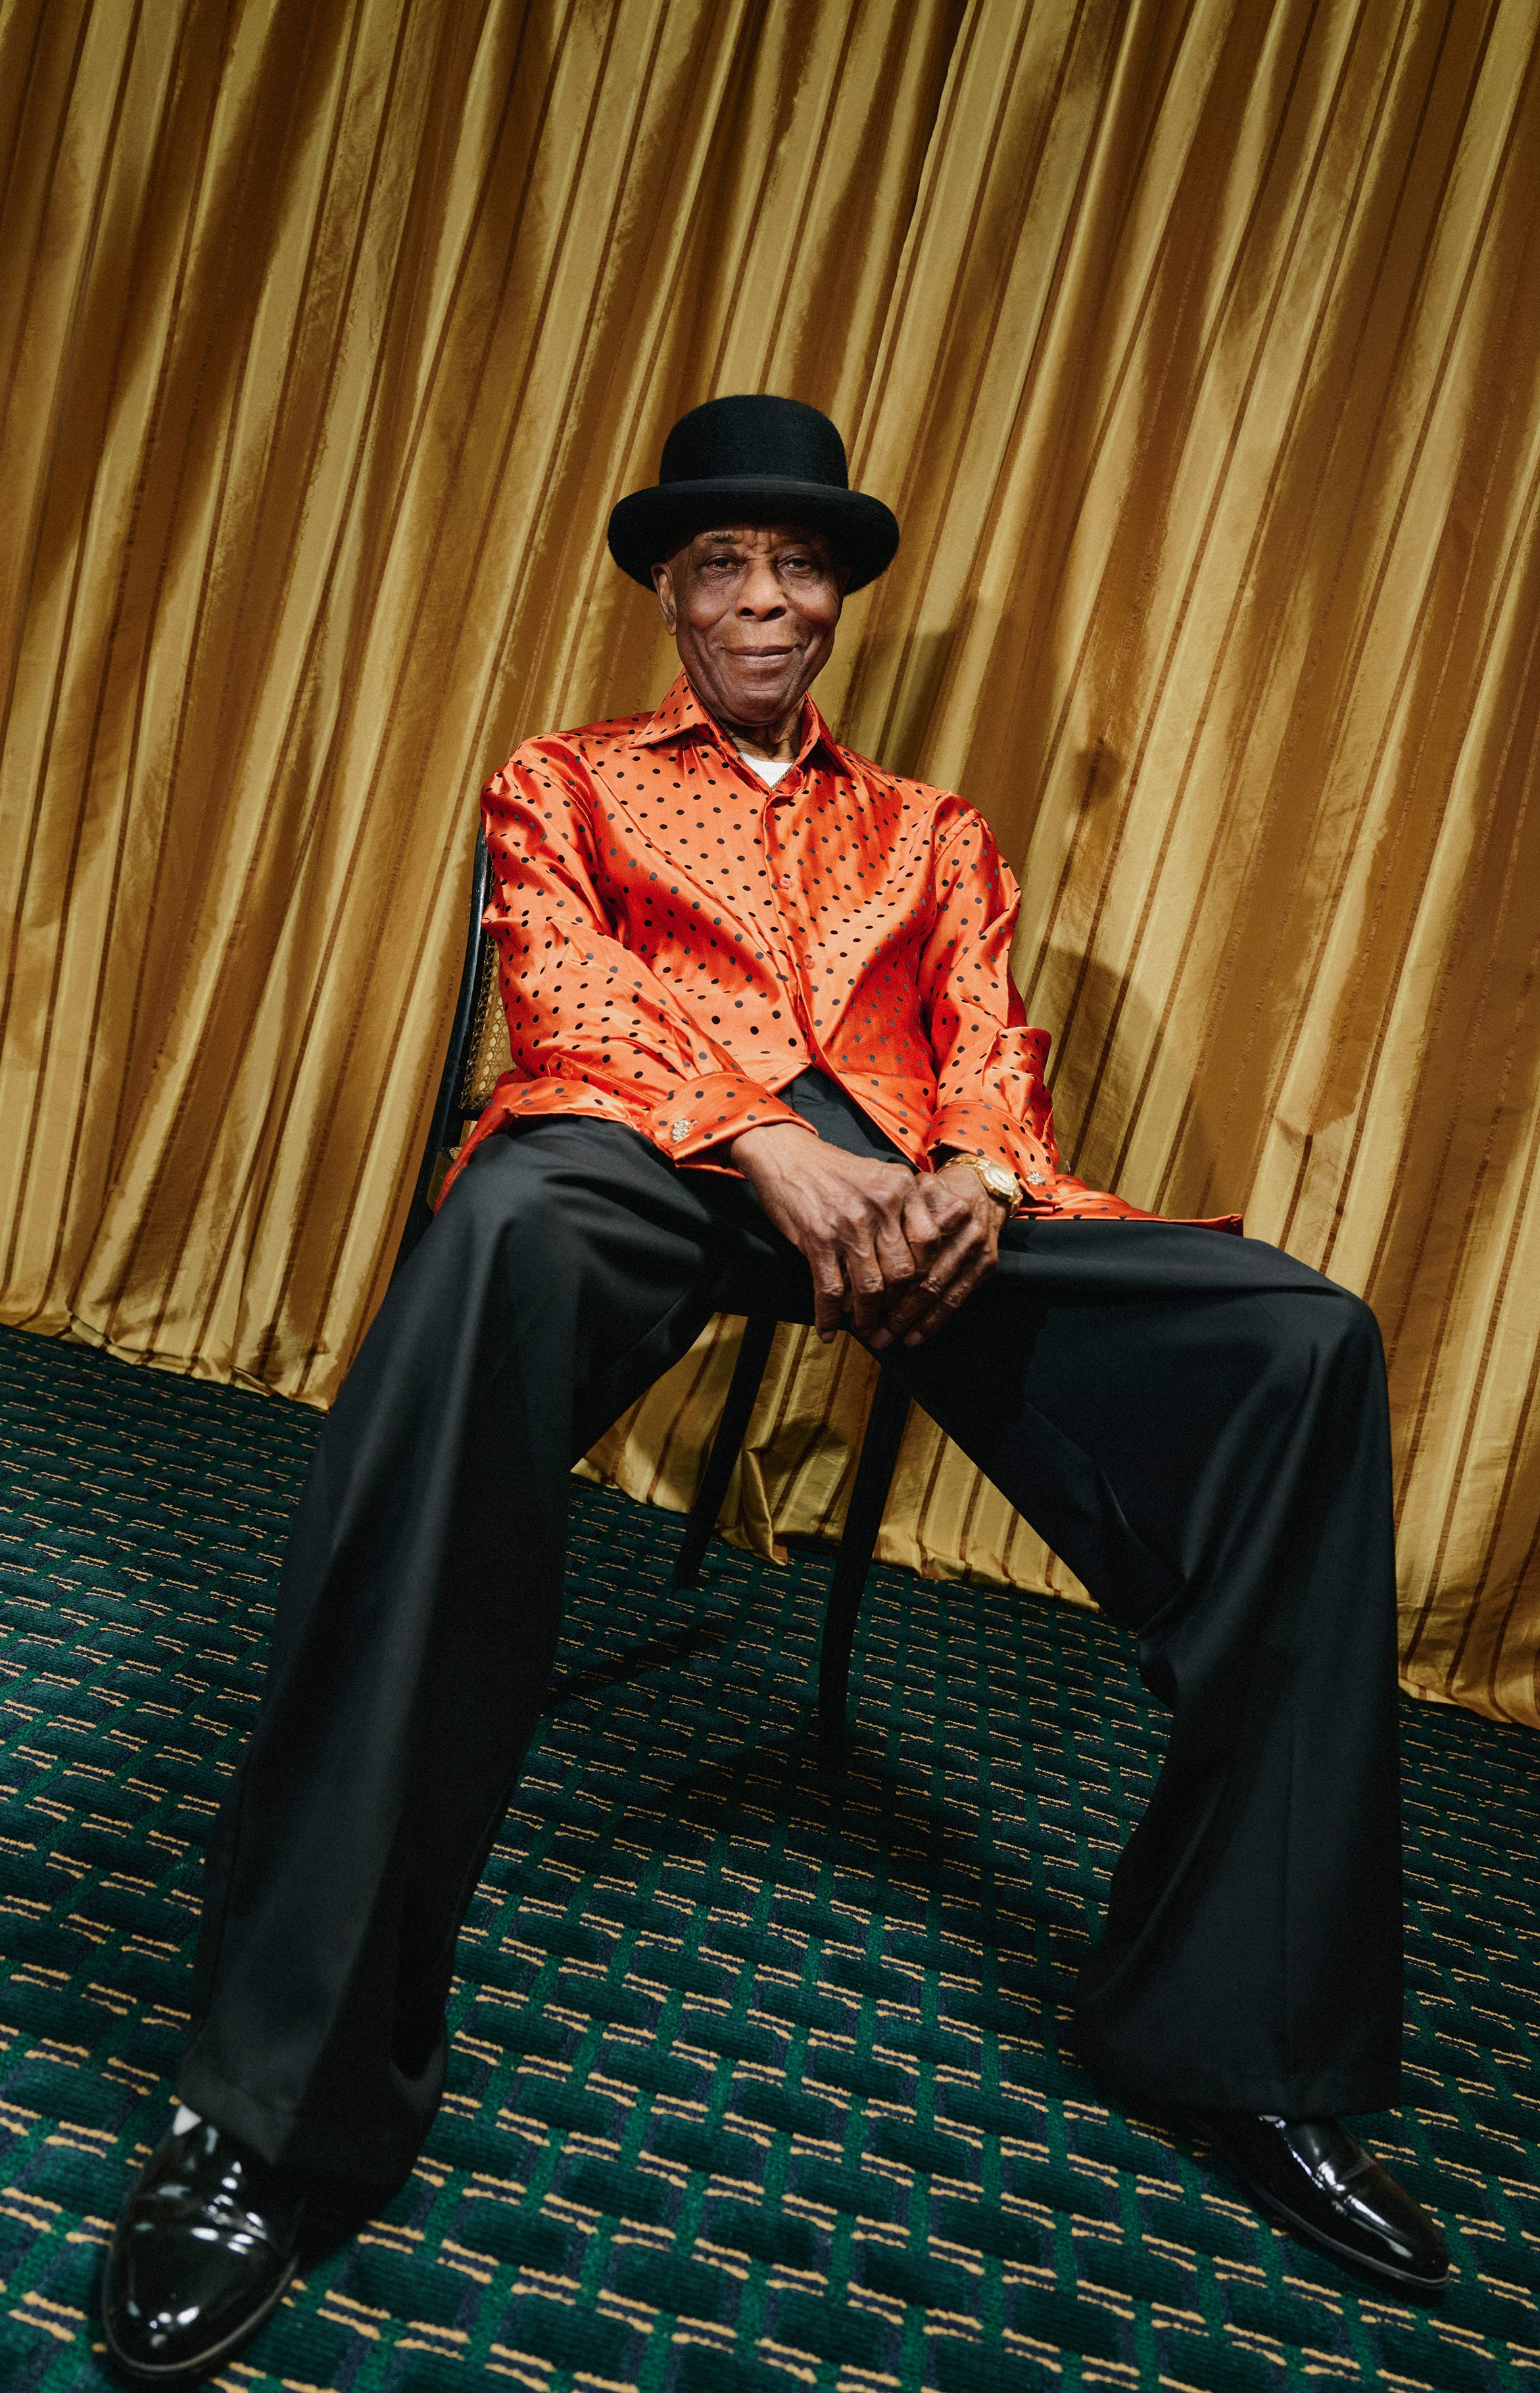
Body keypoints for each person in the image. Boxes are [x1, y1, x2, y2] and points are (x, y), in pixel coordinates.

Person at [100, 395, 1449, 2383]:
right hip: (639, 1154)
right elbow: (567, 995)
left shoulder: (935, 831)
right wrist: (760, 1141)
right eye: (721, 563)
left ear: (834, 602)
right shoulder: (562, 777)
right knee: (489, 1259)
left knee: (1302, 1346)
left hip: (904, 1191)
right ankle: (273, 2112)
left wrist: (973, 1177)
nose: (759, 596)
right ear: (670, 592)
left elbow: (988, 1041)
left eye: (794, 565)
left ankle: (1233, 2041)